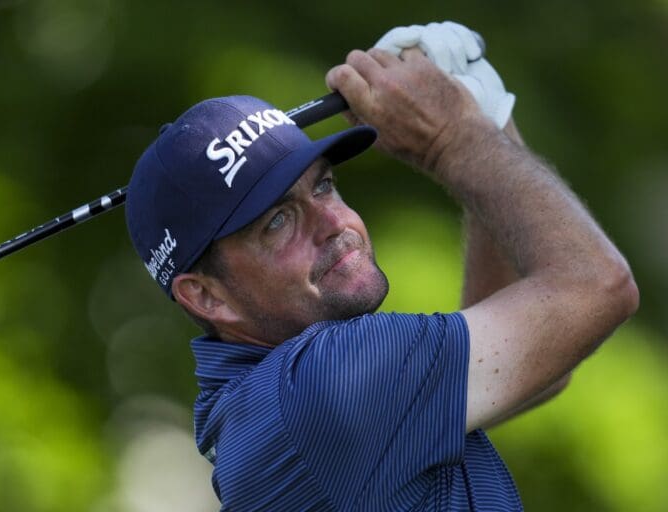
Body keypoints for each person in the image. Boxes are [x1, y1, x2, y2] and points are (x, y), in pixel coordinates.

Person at [125, 22, 638, 511]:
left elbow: (540, 360)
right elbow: (597, 287)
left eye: (323, 185)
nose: (333, 222)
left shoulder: (271, 409)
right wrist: (452, 140)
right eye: (278, 221)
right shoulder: (323, 389)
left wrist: (485, 119)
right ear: (206, 296)